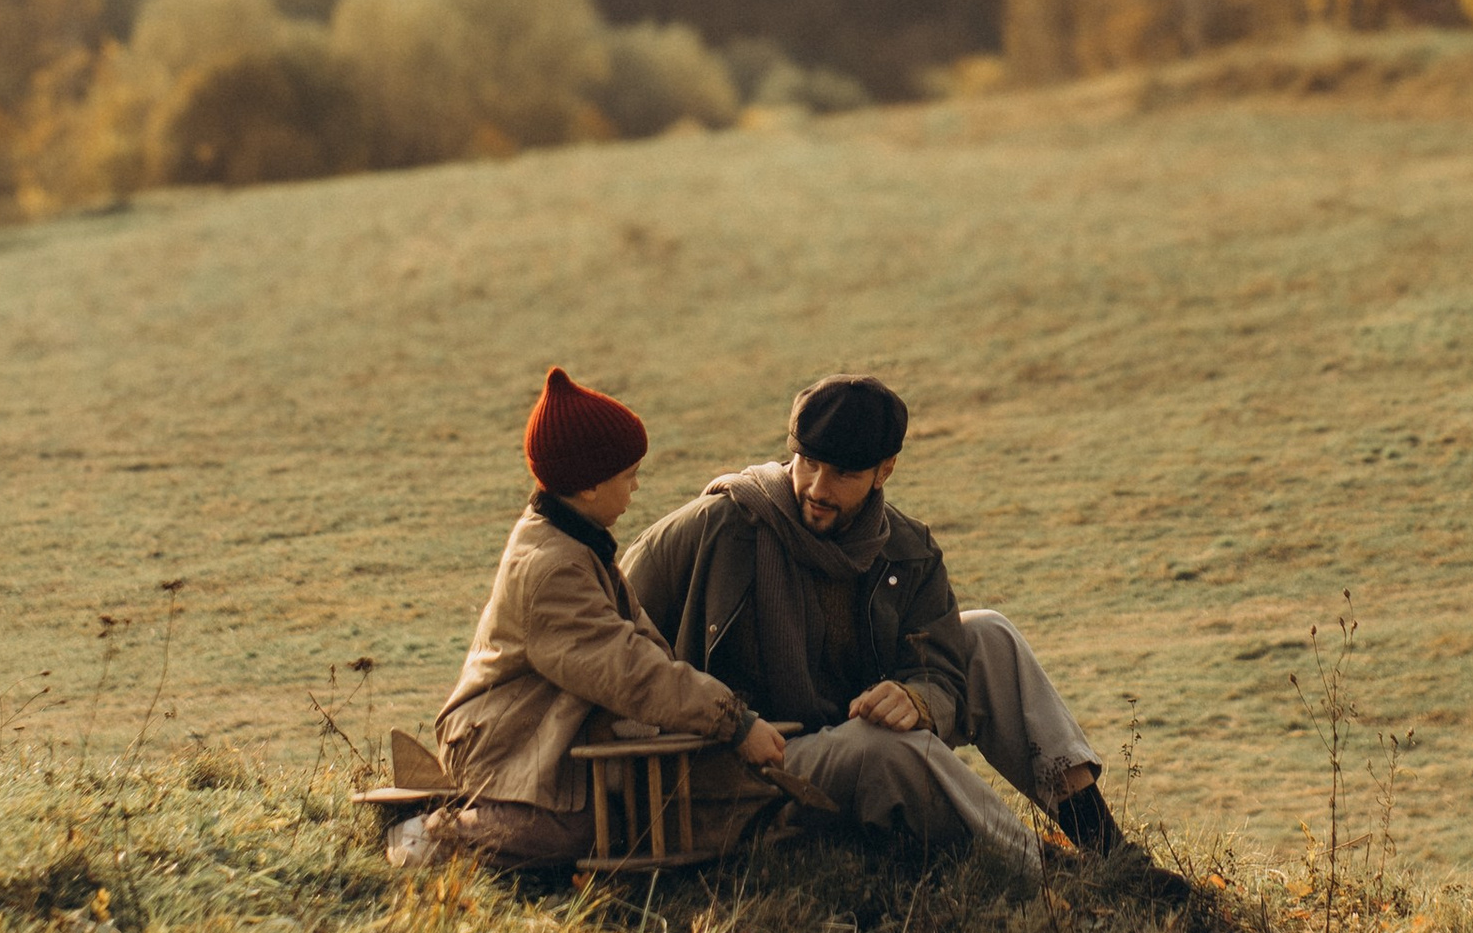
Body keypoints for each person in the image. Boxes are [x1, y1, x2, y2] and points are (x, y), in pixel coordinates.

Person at [623, 372, 1137, 882]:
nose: (818, 489)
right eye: (809, 463)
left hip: (844, 742)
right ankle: (1054, 878)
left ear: (884, 471)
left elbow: (941, 670)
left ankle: (1110, 849)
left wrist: (917, 698)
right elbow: (614, 640)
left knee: (988, 634)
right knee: (883, 747)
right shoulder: (713, 527)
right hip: (750, 764)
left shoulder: (907, 550)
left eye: (843, 474)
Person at [421, 366, 794, 879]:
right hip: (500, 737)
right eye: (628, 475)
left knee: (645, 807)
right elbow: (625, 667)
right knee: (580, 833)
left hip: (544, 721)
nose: (636, 487)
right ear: (591, 486)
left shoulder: (576, 541)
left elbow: (644, 643)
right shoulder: (552, 568)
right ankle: (432, 837)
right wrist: (731, 719)